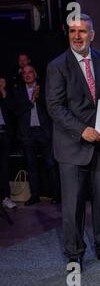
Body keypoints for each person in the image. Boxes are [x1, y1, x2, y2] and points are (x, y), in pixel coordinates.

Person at [46, 14, 100, 271]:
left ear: (93, 34)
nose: (77, 36)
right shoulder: (57, 65)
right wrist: (82, 130)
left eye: (82, 31)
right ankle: (74, 253)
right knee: (73, 206)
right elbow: (55, 108)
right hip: (72, 147)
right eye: (72, 31)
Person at [11, 65, 60, 206]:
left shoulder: (44, 88)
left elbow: (53, 108)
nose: (27, 75)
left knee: (50, 164)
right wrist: (31, 100)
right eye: (25, 73)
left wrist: (39, 97)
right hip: (27, 134)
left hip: (44, 132)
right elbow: (16, 111)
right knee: (31, 166)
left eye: (30, 72)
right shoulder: (18, 91)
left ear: (35, 73)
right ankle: (34, 196)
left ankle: (56, 195)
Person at [0, 76, 17, 210]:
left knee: (4, 167)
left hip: (4, 134)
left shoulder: (7, 95)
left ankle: (5, 197)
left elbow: (13, 110)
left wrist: (4, 93)